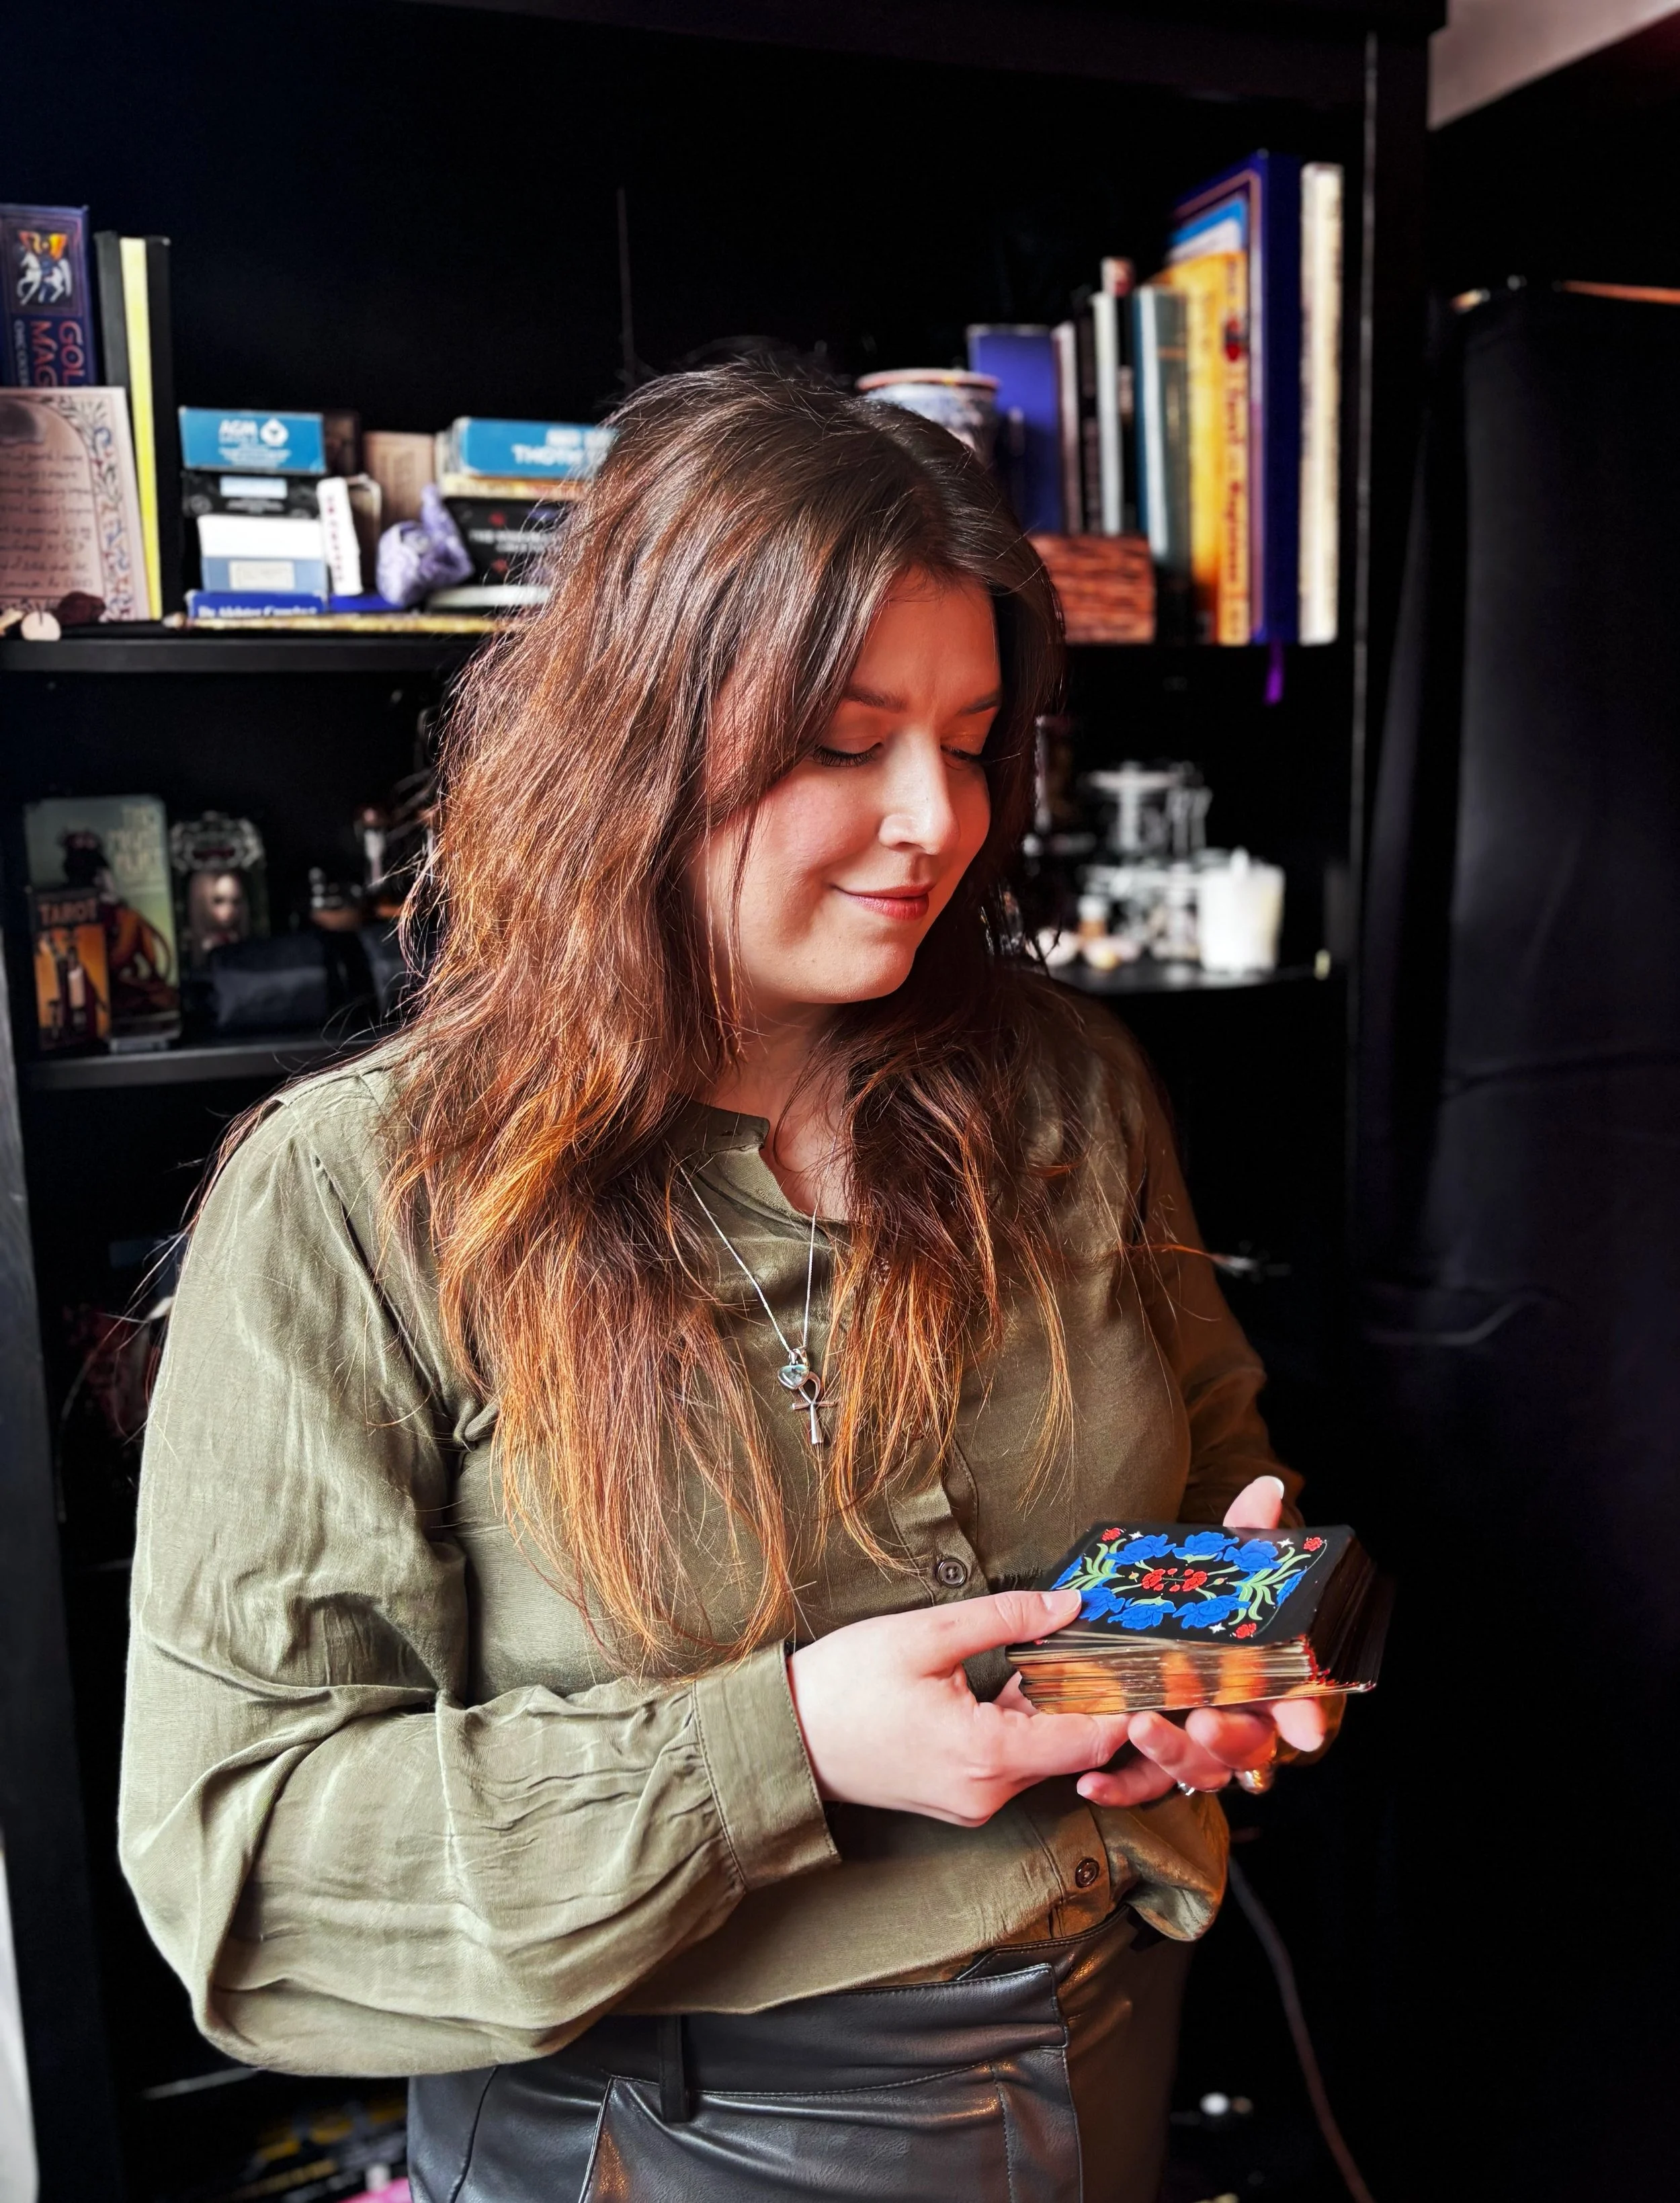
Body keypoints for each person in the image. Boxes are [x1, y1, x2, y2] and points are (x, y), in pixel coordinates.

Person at [120, 368, 1331, 2203]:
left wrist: (1222, 1636)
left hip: (1106, 2035)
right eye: (845, 740)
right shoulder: (357, 1196)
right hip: (666, 2131)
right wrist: (783, 1750)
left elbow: (1208, 1445)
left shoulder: (1065, 1079)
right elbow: (251, 1870)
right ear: (638, 739)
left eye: (974, 736)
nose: (935, 818)